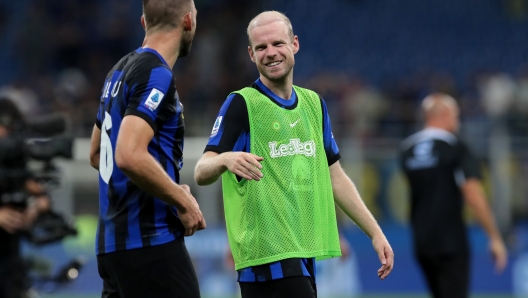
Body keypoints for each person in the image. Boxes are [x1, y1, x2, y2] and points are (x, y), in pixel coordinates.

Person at [194, 11, 394, 298]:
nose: (271, 53)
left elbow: (334, 175)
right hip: (266, 259)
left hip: (304, 254)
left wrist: (375, 233)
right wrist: (226, 159)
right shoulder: (241, 104)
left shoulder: (314, 105)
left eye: (277, 43)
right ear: (251, 54)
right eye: (261, 48)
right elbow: (202, 170)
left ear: (295, 44)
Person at [88, 0, 206, 297]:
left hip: (111, 250)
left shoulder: (117, 72)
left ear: (144, 23)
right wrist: (181, 198)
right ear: (188, 22)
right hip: (150, 244)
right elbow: (127, 155)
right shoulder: (157, 74)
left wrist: (160, 181)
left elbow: (95, 153)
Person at [399, 93, 508, 298]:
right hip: (451, 240)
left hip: (421, 240)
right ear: (445, 114)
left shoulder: (407, 150)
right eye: (456, 115)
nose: (457, 121)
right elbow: (473, 193)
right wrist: (494, 237)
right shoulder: (456, 147)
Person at [0, 98, 50, 298]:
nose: (9, 134)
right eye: (6, 126)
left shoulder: (13, 163)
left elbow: (43, 198)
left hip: (9, 264)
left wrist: (33, 208)